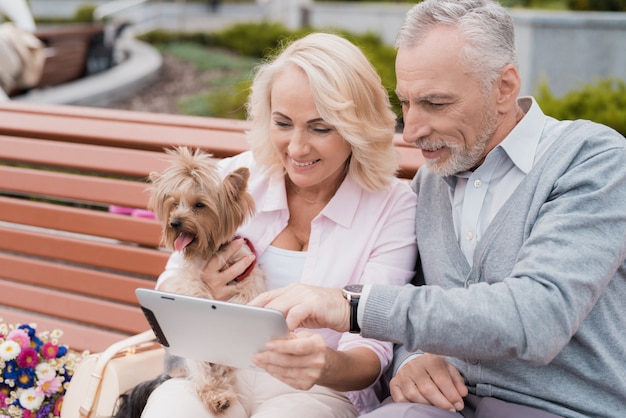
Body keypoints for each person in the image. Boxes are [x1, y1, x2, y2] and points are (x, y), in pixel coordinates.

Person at [249, 1, 626, 417]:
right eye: (406, 103)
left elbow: (538, 317)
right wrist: (412, 359)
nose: (410, 131)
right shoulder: (434, 179)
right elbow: (422, 307)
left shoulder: (593, 161)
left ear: (504, 87)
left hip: (560, 406)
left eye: (435, 103)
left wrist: (352, 306)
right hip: (447, 404)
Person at [140, 32, 418, 418]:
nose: (297, 148)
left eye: (320, 128)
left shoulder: (392, 206)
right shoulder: (234, 178)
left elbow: (373, 351)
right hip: (215, 374)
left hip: (317, 391)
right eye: (283, 123)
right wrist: (201, 287)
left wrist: (326, 364)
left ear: (358, 126)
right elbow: (167, 288)